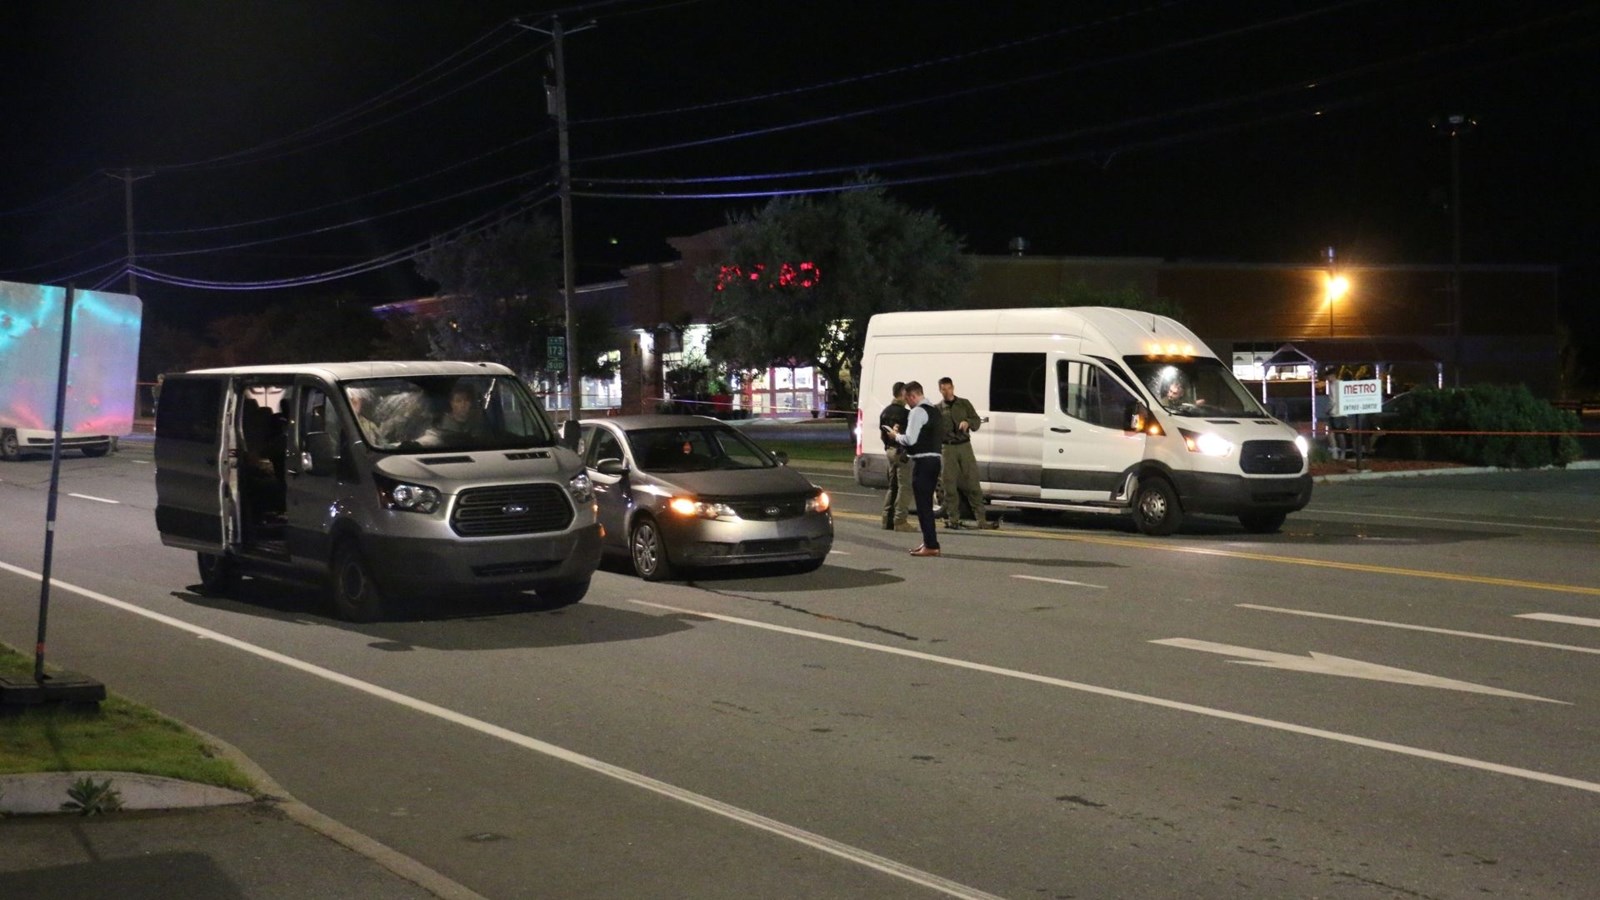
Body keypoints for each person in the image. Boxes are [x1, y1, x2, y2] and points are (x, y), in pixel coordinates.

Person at [885, 381, 943, 557]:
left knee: (923, 506)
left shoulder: (917, 411)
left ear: (912, 396)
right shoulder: (934, 410)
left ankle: (931, 545)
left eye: (906, 398)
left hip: (922, 462)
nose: (906, 403)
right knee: (926, 505)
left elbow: (910, 439)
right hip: (935, 460)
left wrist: (896, 436)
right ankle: (928, 541)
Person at [937, 377, 997, 530]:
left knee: (973, 483)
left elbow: (976, 421)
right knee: (949, 485)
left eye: (949, 388)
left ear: (953, 388)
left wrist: (968, 422)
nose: (947, 392)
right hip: (947, 448)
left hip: (964, 446)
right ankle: (953, 519)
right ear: (940, 390)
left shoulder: (964, 404)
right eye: (943, 389)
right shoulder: (937, 409)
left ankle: (981, 519)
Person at [878, 381, 914, 531]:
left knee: (892, 486)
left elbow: (882, 435)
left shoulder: (885, 412)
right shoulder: (906, 414)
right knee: (904, 487)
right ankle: (900, 520)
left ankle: (887, 519)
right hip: (902, 453)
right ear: (903, 393)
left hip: (890, 451)